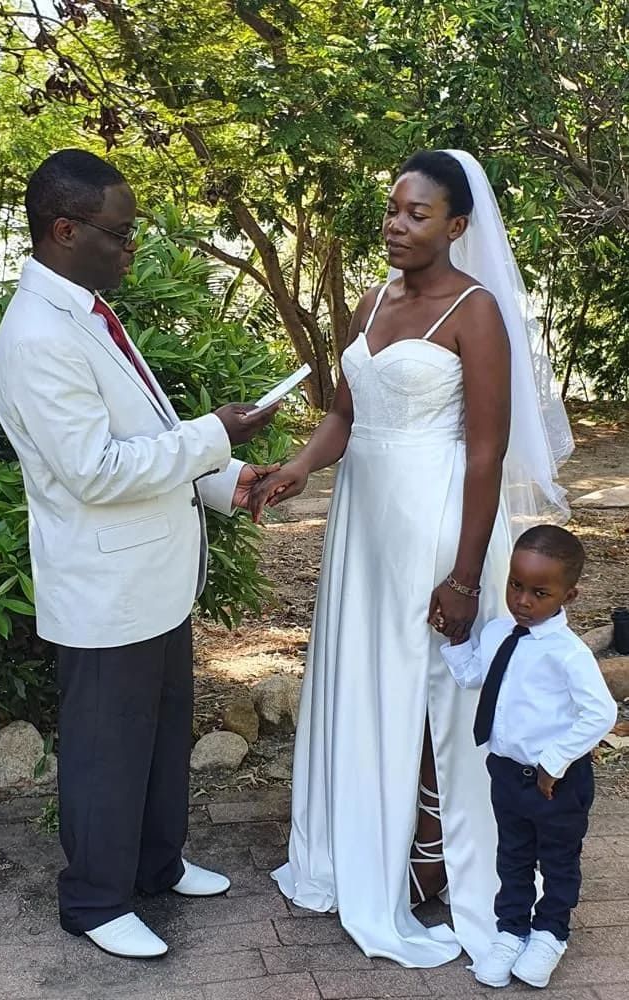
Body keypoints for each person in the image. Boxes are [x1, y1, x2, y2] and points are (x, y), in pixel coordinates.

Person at [249, 150, 573, 969]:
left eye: (416, 213)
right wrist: (298, 468)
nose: (395, 225)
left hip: (437, 522)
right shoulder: (371, 301)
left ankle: (445, 854)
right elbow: (343, 416)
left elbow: (486, 454)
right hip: (363, 525)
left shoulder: (476, 311)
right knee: (369, 681)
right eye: (392, 210)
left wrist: (464, 578)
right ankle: (378, 847)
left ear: (457, 225)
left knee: (436, 693)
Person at [0, 149, 278, 959]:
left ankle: (156, 864)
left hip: (150, 576)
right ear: (64, 230)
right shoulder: (38, 336)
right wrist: (214, 433)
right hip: (105, 584)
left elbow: (144, 437)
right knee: (106, 748)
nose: (130, 247)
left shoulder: (86, 312)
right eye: (119, 234)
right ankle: (95, 900)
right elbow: (95, 470)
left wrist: (224, 480)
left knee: (157, 734)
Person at [441, 526, 616, 989]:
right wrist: (457, 642)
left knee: (558, 860)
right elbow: (475, 677)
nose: (522, 600)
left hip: (556, 781)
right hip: (505, 772)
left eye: (540, 593)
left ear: (568, 596)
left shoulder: (568, 653)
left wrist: (554, 761)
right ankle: (511, 931)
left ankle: (550, 934)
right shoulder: (499, 632)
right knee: (513, 856)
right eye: (516, 585)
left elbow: (601, 713)